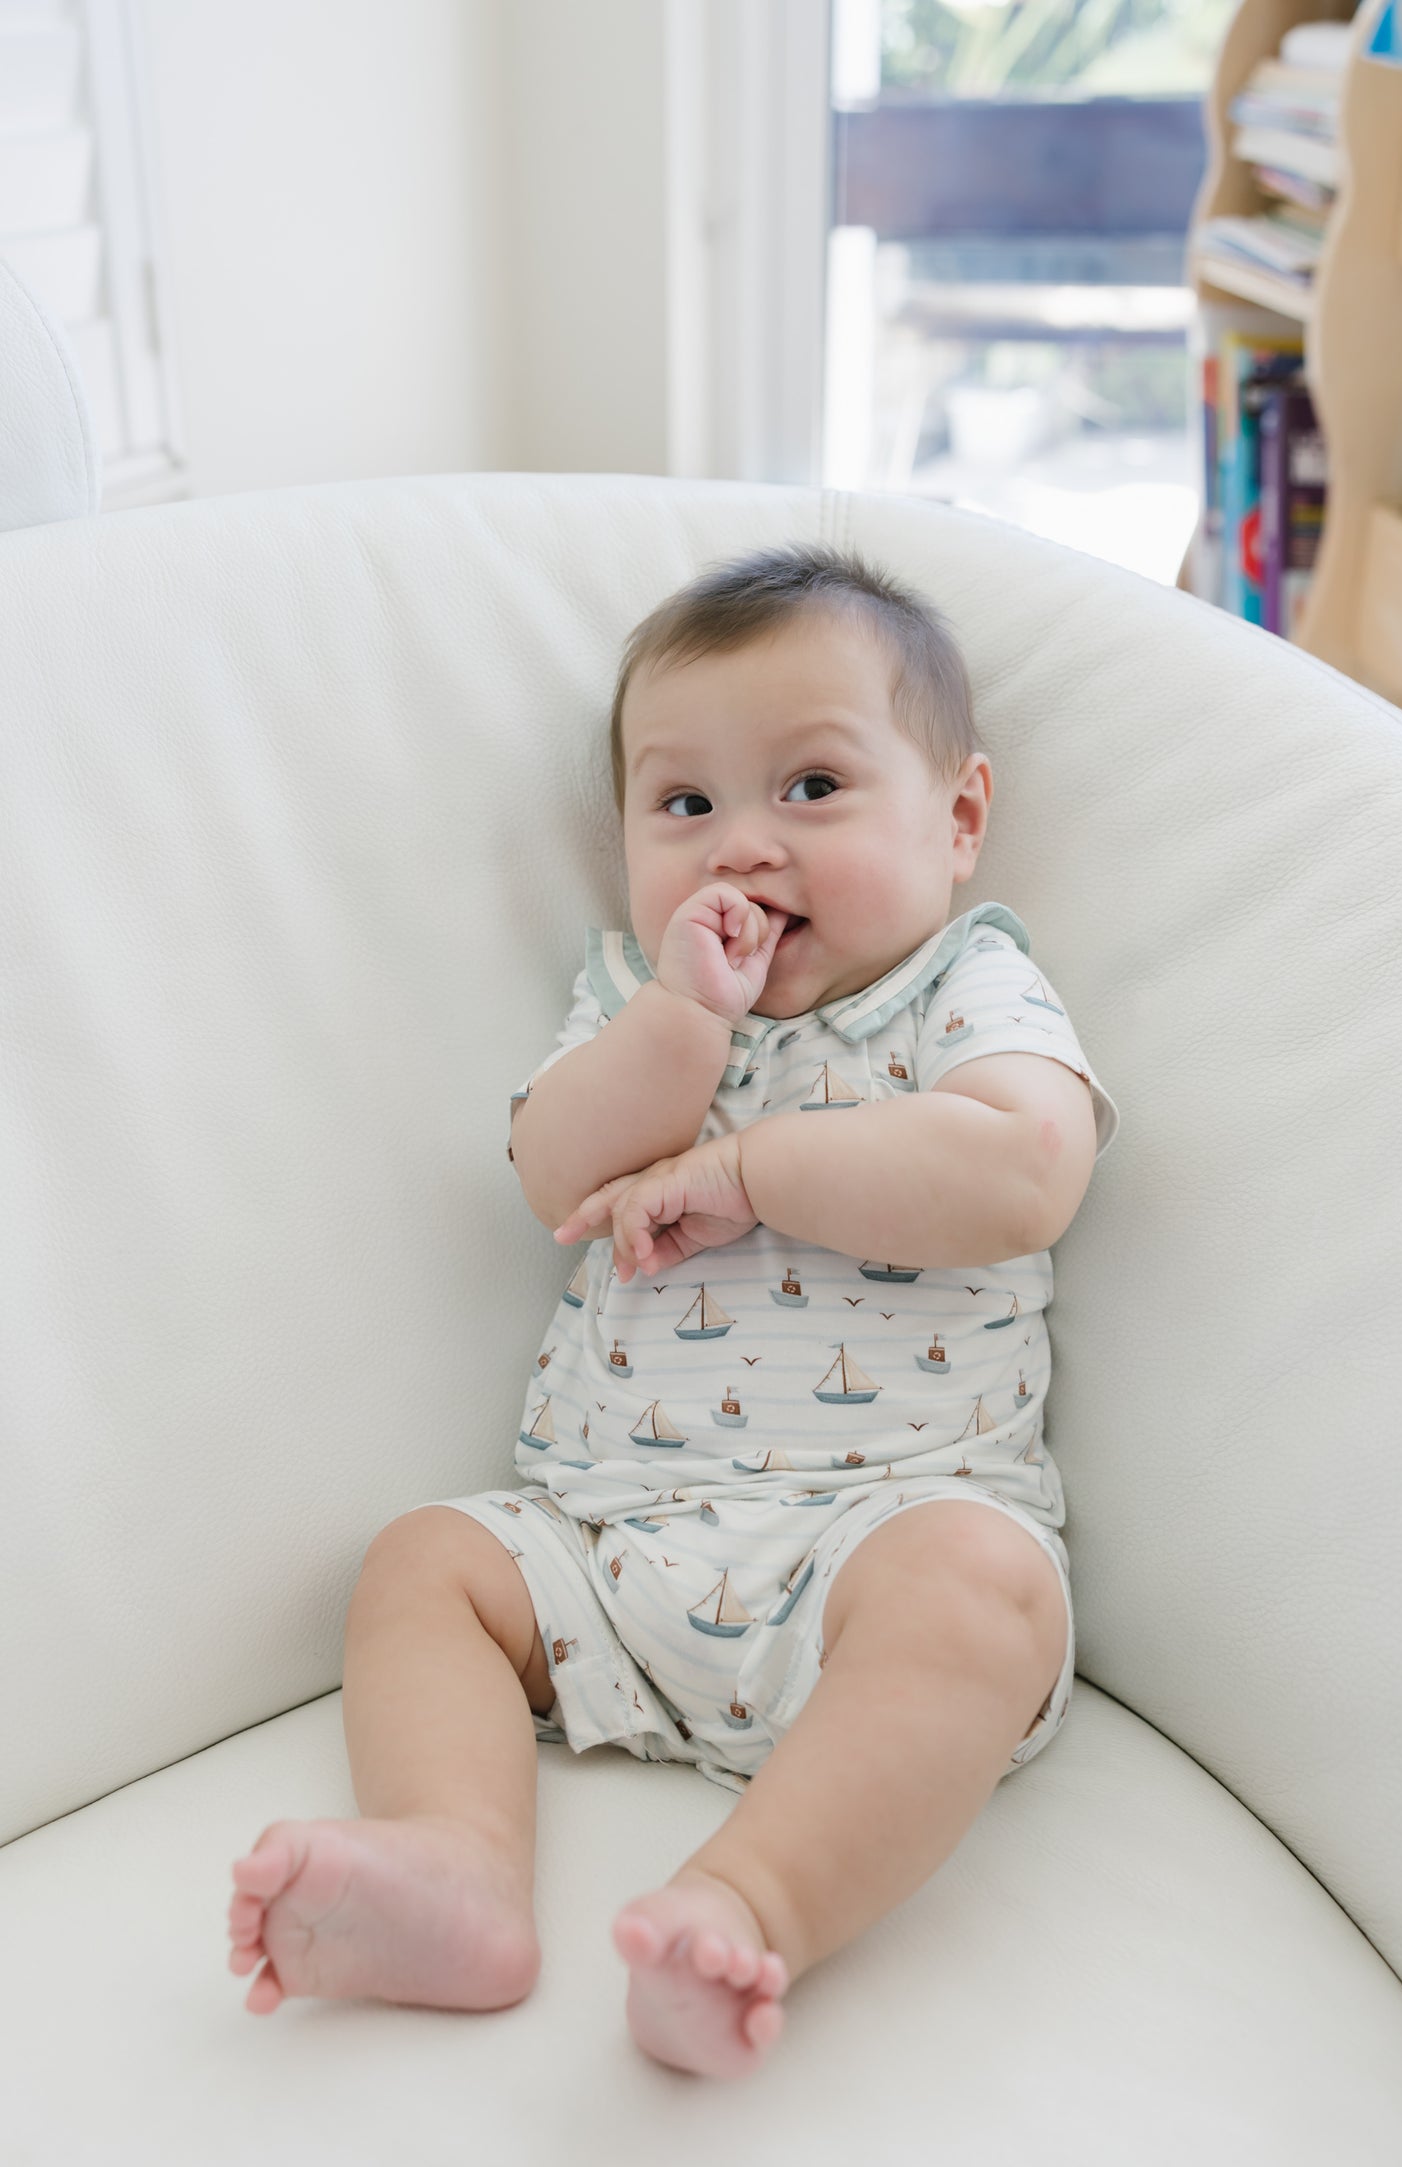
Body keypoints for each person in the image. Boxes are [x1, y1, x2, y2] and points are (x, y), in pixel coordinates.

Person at [226, 542, 1120, 2080]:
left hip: (873, 1547)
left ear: (958, 818)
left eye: (813, 788)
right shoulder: (637, 1001)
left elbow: (1025, 1169)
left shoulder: (961, 993)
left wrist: (760, 1168)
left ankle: (741, 1908)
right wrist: (681, 1025)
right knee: (425, 1563)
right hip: (607, 1544)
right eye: (684, 805)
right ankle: (452, 1862)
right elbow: (548, 1166)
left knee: (984, 1595)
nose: (743, 852)